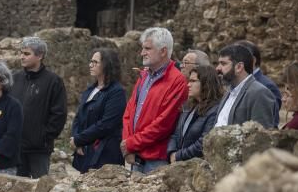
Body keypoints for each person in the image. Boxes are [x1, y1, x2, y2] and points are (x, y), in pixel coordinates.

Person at [121, 27, 188, 174]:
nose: (142, 53)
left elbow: (163, 124)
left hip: (155, 161)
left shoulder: (177, 81)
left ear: (163, 51)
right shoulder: (144, 76)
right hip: (135, 156)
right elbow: (129, 112)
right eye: (143, 48)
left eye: (147, 48)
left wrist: (130, 144)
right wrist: (128, 145)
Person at [10, 37, 67, 178]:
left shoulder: (53, 81)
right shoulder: (15, 79)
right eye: (21, 53)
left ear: (40, 55)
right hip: (16, 148)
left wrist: (44, 138)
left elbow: (59, 114)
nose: (21, 57)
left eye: (26, 53)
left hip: (39, 150)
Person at [70, 47, 125, 173]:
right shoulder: (90, 89)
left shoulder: (116, 92)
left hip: (104, 154)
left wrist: (79, 140)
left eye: (95, 62)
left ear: (107, 65)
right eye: (91, 61)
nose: (90, 65)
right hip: (85, 150)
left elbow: (106, 124)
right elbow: (79, 117)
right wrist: (76, 139)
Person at [213, 43, 277, 129]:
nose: (217, 68)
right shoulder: (229, 92)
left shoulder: (259, 93)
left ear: (239, 67)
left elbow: (261, 136)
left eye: (223, 64)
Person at [168, 65, 222, 162]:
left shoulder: (215, 110)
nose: (188, 85)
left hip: (196, 167)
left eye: (193, 81)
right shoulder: (188, 106)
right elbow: (175, 133)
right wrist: (172, 152)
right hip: (178, 164)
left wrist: (178, 156)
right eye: (189, 81)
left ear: (206, 83)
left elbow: (204, 142)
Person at [235, 40, 282, 123]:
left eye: (236, 58)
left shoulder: (266, 86)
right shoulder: (235, 84)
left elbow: (269, 122)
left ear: (252, 60)